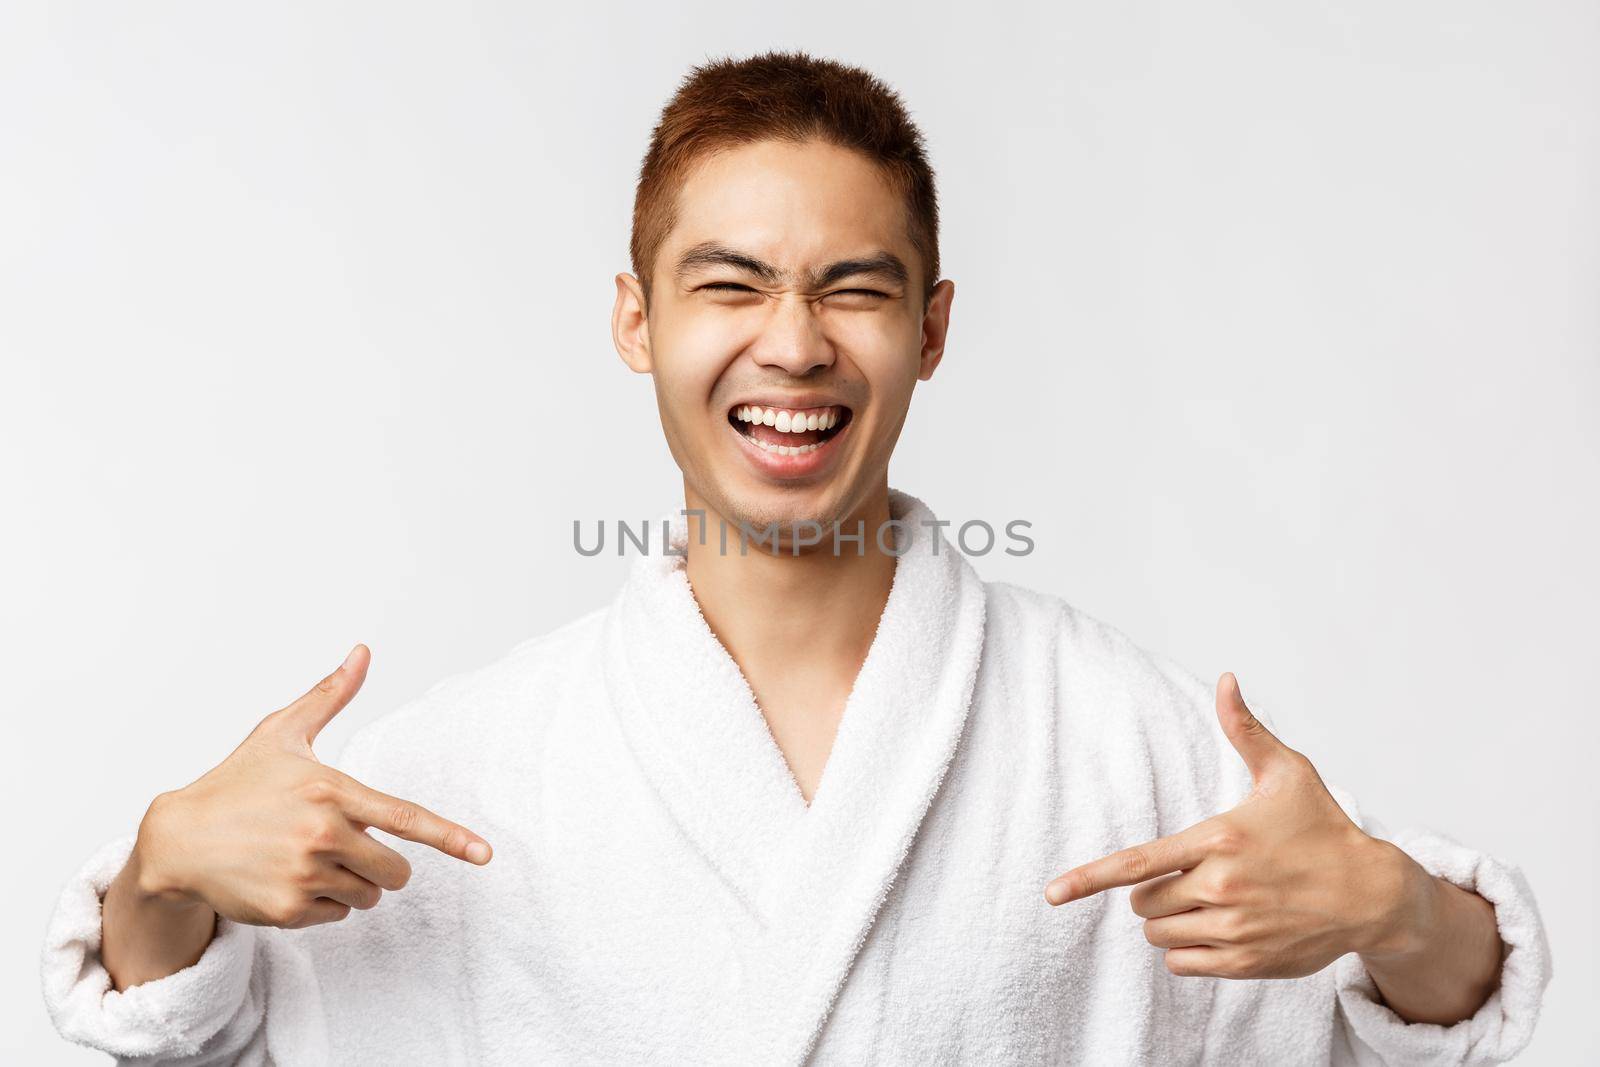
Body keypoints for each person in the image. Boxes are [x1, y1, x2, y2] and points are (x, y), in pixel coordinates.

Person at [40, 50, 1549, 1065]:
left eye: (855, 289)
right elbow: (215, 1040)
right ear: (637, 320)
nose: (794, 344)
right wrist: (166, 870)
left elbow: (1410, 1029)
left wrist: (1397, 909)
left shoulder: (1128, 743)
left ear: (932, 331)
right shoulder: (460, 778)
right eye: (731, 284)